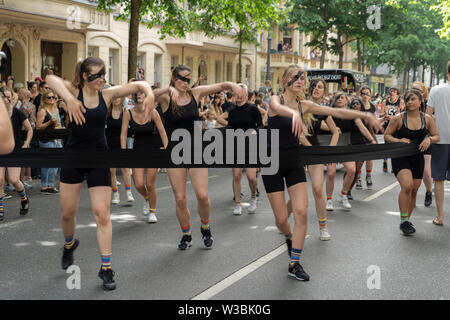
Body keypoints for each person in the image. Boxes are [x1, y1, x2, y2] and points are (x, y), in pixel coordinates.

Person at [262, 65, 382, 281]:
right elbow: (277, 108)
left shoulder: (304, 105)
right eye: (295, 77)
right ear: (285, 80)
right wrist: (293, 115)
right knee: (281, 220)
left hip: (294, 160)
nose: (299, 80)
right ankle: (289, 237)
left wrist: (364, 114)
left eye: (302, 77)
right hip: (271, 162)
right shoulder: (276, 100)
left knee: (300, 212)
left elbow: (335, 112)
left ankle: (294, 263)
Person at [46, 56, 156, 290]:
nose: (101, 79)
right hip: (73, 157)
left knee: (102, 214)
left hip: (99, 158)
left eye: (103, 74)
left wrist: (149, 92)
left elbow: (138, 85)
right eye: (95, 75)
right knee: (68, 213)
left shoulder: (107, 94)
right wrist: (69, 100)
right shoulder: (73, 91)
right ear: (85, 76)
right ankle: (68, 245)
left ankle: (106, 268)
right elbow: (49, 78)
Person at [155, 64, 246, 250]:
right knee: (180, 199)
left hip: (196, 149)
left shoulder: (194, 94)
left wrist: (233, 86)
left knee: (202, 196)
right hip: (174, 152)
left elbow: (219, 86)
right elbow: (149, 95)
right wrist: (168, 88)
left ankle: (205, 226)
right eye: (181, 78)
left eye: (188, 79)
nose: (185, 82)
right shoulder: (166, 97)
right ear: (173, 77)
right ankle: (186, 234)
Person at [385, 89, 439, 235]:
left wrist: (429, 139)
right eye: (407, 99)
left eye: (413, 99)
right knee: (407, 186)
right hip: (400, 156)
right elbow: (387, 135)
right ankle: (403, 221)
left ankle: (406, 221)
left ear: (420, 101)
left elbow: (436, 136)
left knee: (414, 190)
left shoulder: (427, 119)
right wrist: (398, 140)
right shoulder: (398, 118)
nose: (410, 102)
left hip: (417, 157)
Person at [298, 78, 339, 241]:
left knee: (317, 189)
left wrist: (330, 150)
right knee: (298, 191)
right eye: (314, 86)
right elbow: (299, 133)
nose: (316, 89)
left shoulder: (322, 110)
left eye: (320, 87)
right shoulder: (301, 106)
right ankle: (284, 220)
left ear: (324, 92)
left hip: (314, 151)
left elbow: (335, 131)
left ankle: (323, 227)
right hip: (299, 150)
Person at [120, 91, 167, 223]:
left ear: (145, 96)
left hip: (153, 151)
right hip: (137, 152)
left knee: (150, 184)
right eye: (135, 93)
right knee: (139, 184)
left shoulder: (153, 112)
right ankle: (147, 198)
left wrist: (166, 150)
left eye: (141, 93)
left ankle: (153, 212)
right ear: (132, 97)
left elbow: (162, 132)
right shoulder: (127, 113)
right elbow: (123, 135)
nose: (138, 95)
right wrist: (123, 153)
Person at [217, 83, 262, 215]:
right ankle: (238, 204)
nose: (238, 96)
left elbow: (261, 125)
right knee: (236, 176)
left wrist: (255, 131)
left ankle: (253, 197)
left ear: (246, 95)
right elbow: (231, 127)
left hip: (251, 146)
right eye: (236, 94)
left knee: (251, 177)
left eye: (240, 93)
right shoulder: (232, 111)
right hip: (236, 146)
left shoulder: (253, 109)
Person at [325, 92, 376, 210]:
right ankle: (329, 200)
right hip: (333, 145)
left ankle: (344, 194)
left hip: (346, 145)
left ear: (347, 100)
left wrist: (371, 140)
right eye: (337, 98)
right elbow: (322, 124)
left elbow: (362, 128)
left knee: (352, 170)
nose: (339, 99)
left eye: (342, 97)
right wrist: (332, 128)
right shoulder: (329, 112)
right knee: (331, 173)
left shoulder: (351, 114)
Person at [0, 86, 33, 221]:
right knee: (0, 180)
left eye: (9, 97)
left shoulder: (18, 113)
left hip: (15, 150)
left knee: (14, 180)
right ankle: (1, 209)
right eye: (4, 96)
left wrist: (26, 144)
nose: (6, 99)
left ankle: (24, 198)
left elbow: (30, 129)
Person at [427, 61, 450, 226]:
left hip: (440, 139)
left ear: (447, 72)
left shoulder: (436, 90)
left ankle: (440, 217)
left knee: (439, 180)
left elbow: (427, 117)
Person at [105, 94, 135, 205]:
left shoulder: (126, 111)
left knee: (125, 169)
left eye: (118, 97)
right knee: (111, 171)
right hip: (109, 144)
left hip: (122, 143)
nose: (115, 100)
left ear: (122, 99)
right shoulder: (107, 112)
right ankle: (115, 194)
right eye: (113, 97)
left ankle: (129, 192)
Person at [35, 89, 62, 194]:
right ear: (44, 99)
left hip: (56, 138)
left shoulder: (56, 110)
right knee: (48, 163)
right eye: (49, 97)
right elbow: (38, 127)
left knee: (56, 163)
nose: (52, 99)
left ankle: (49, 185)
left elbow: (58, 124)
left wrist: (57, 125)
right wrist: (49, 122)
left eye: (54, 97)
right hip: (46, 139)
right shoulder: (42, 111)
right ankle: (45, 186)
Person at [412, 81, 432, 207]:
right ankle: (412, 195)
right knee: (412, 172)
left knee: (426, 171)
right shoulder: (408, 102)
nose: (415, 91)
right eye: (413, 89)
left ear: (423, 92)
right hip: (412, 141)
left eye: (418, 90)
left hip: (426, 139)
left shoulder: (429, 104)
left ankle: (428, 192)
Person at [381, 87, 405, 172]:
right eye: (391, 91)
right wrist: (385, 114)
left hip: (396, 125)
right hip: (387, 125)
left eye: (394, 91)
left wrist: (397, 114)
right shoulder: (385, 101)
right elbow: (381, 114)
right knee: (387, 145)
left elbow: (402, 114)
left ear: (397, 93)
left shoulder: (401, 102)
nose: (392, 93)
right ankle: (385, 161)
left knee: (395, 144)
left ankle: (394, 165)